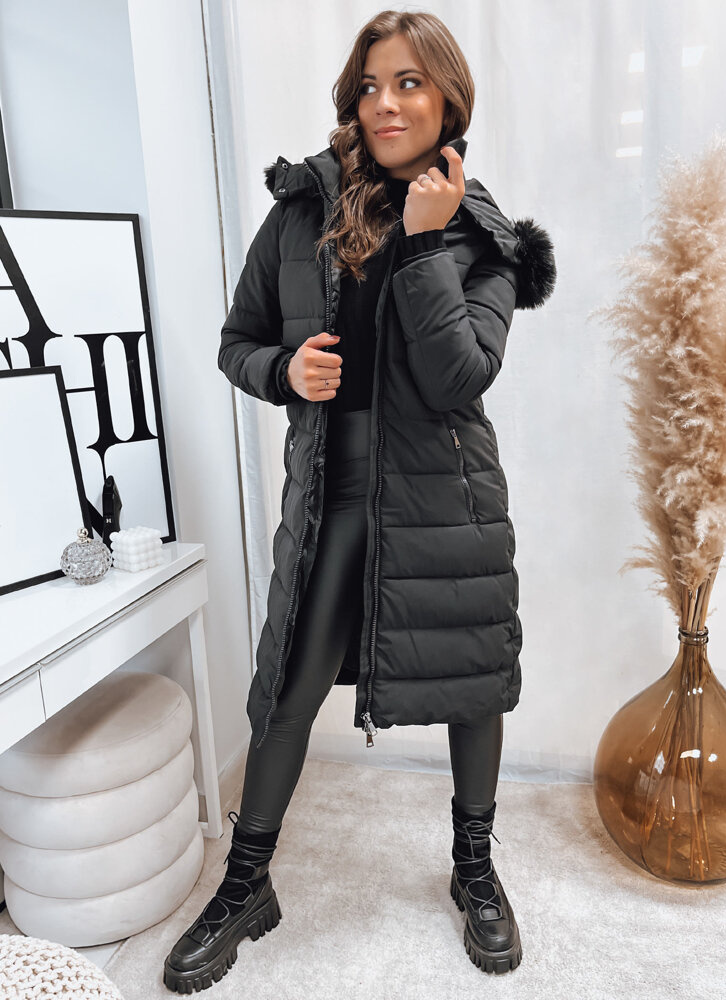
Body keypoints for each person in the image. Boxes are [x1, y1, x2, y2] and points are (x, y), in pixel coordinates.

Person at [164, 9, 555, 992]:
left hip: (446, 496)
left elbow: (461, 376)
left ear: (448, 100)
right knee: (287, 690)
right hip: (331, 494)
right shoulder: (302, 211)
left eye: (410, 82)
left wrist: (421, 247)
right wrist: (284, 370)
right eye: (371, 84)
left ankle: (474, 869)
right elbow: (237, 340)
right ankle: (246, 883)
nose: (386, 103)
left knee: (471, 679)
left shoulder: (483, 235)